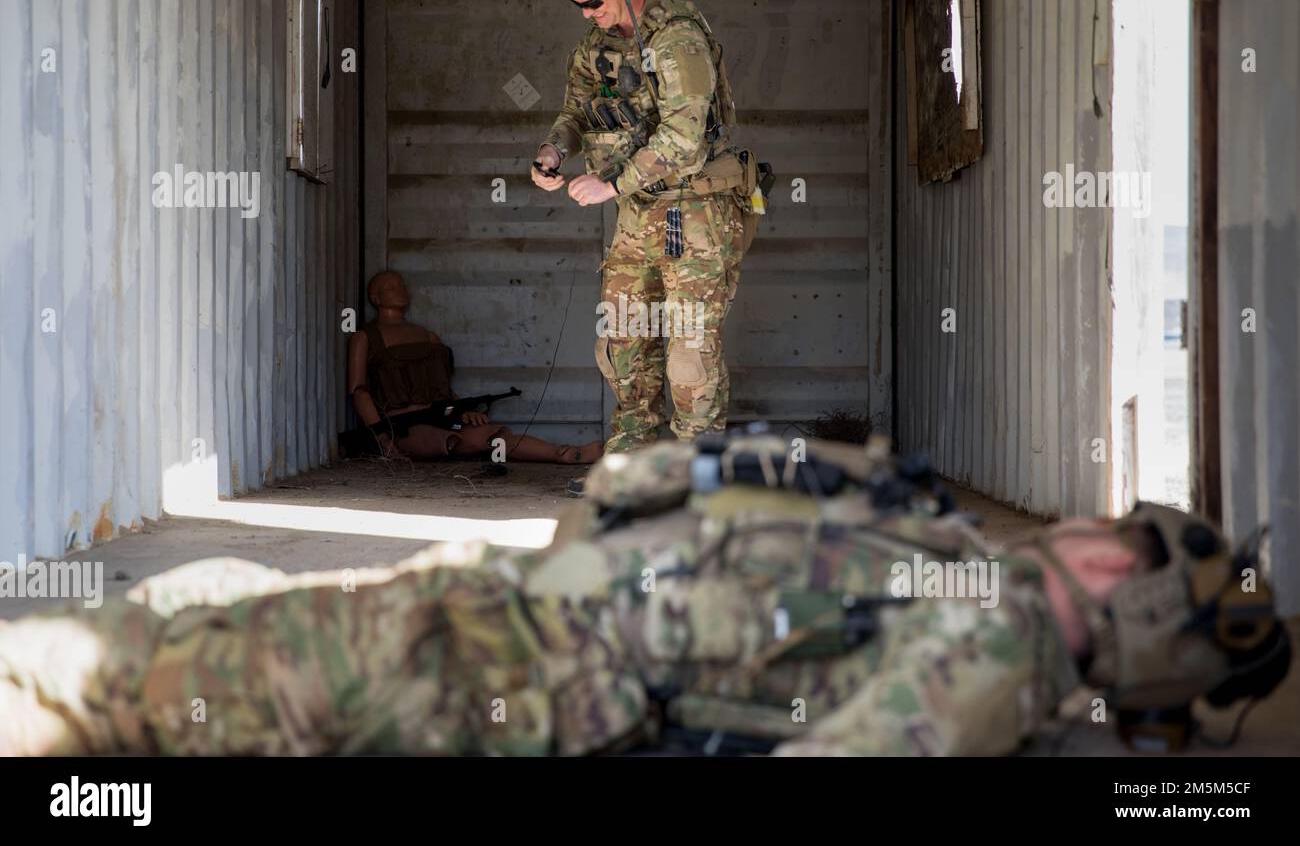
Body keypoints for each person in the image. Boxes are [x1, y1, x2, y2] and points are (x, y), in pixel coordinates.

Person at [0, 432, 1288, 757]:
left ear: (1116, 572)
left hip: (484, 662)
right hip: (492, 616)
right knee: (172, 632)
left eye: (1113, 533)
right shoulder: (952, 555)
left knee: (104, 685)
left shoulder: (984, 652)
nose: (1085, 524)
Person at [531, 0, 755, 455]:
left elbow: (684, 135)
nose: (587, 16)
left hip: (693, 213)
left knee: (689, 350)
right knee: (624, 340)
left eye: (593, 4)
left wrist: (609, 183)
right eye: (579, 8)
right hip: (637, 218)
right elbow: (576, 112)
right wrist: (552, 152)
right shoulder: (596, 46)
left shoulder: (677, 37)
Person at [346, 270, 602, 463]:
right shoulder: (366, 337)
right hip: (402, 425)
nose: (400, 290)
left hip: (440, 415)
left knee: (494, 436)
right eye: (390, 287)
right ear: (375, 297)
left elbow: (442, 388)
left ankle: (564, 453)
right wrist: (382, 437)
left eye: (401, 285)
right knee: (457, 441)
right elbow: (359, 391)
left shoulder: (427, 337)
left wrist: (461, 411)